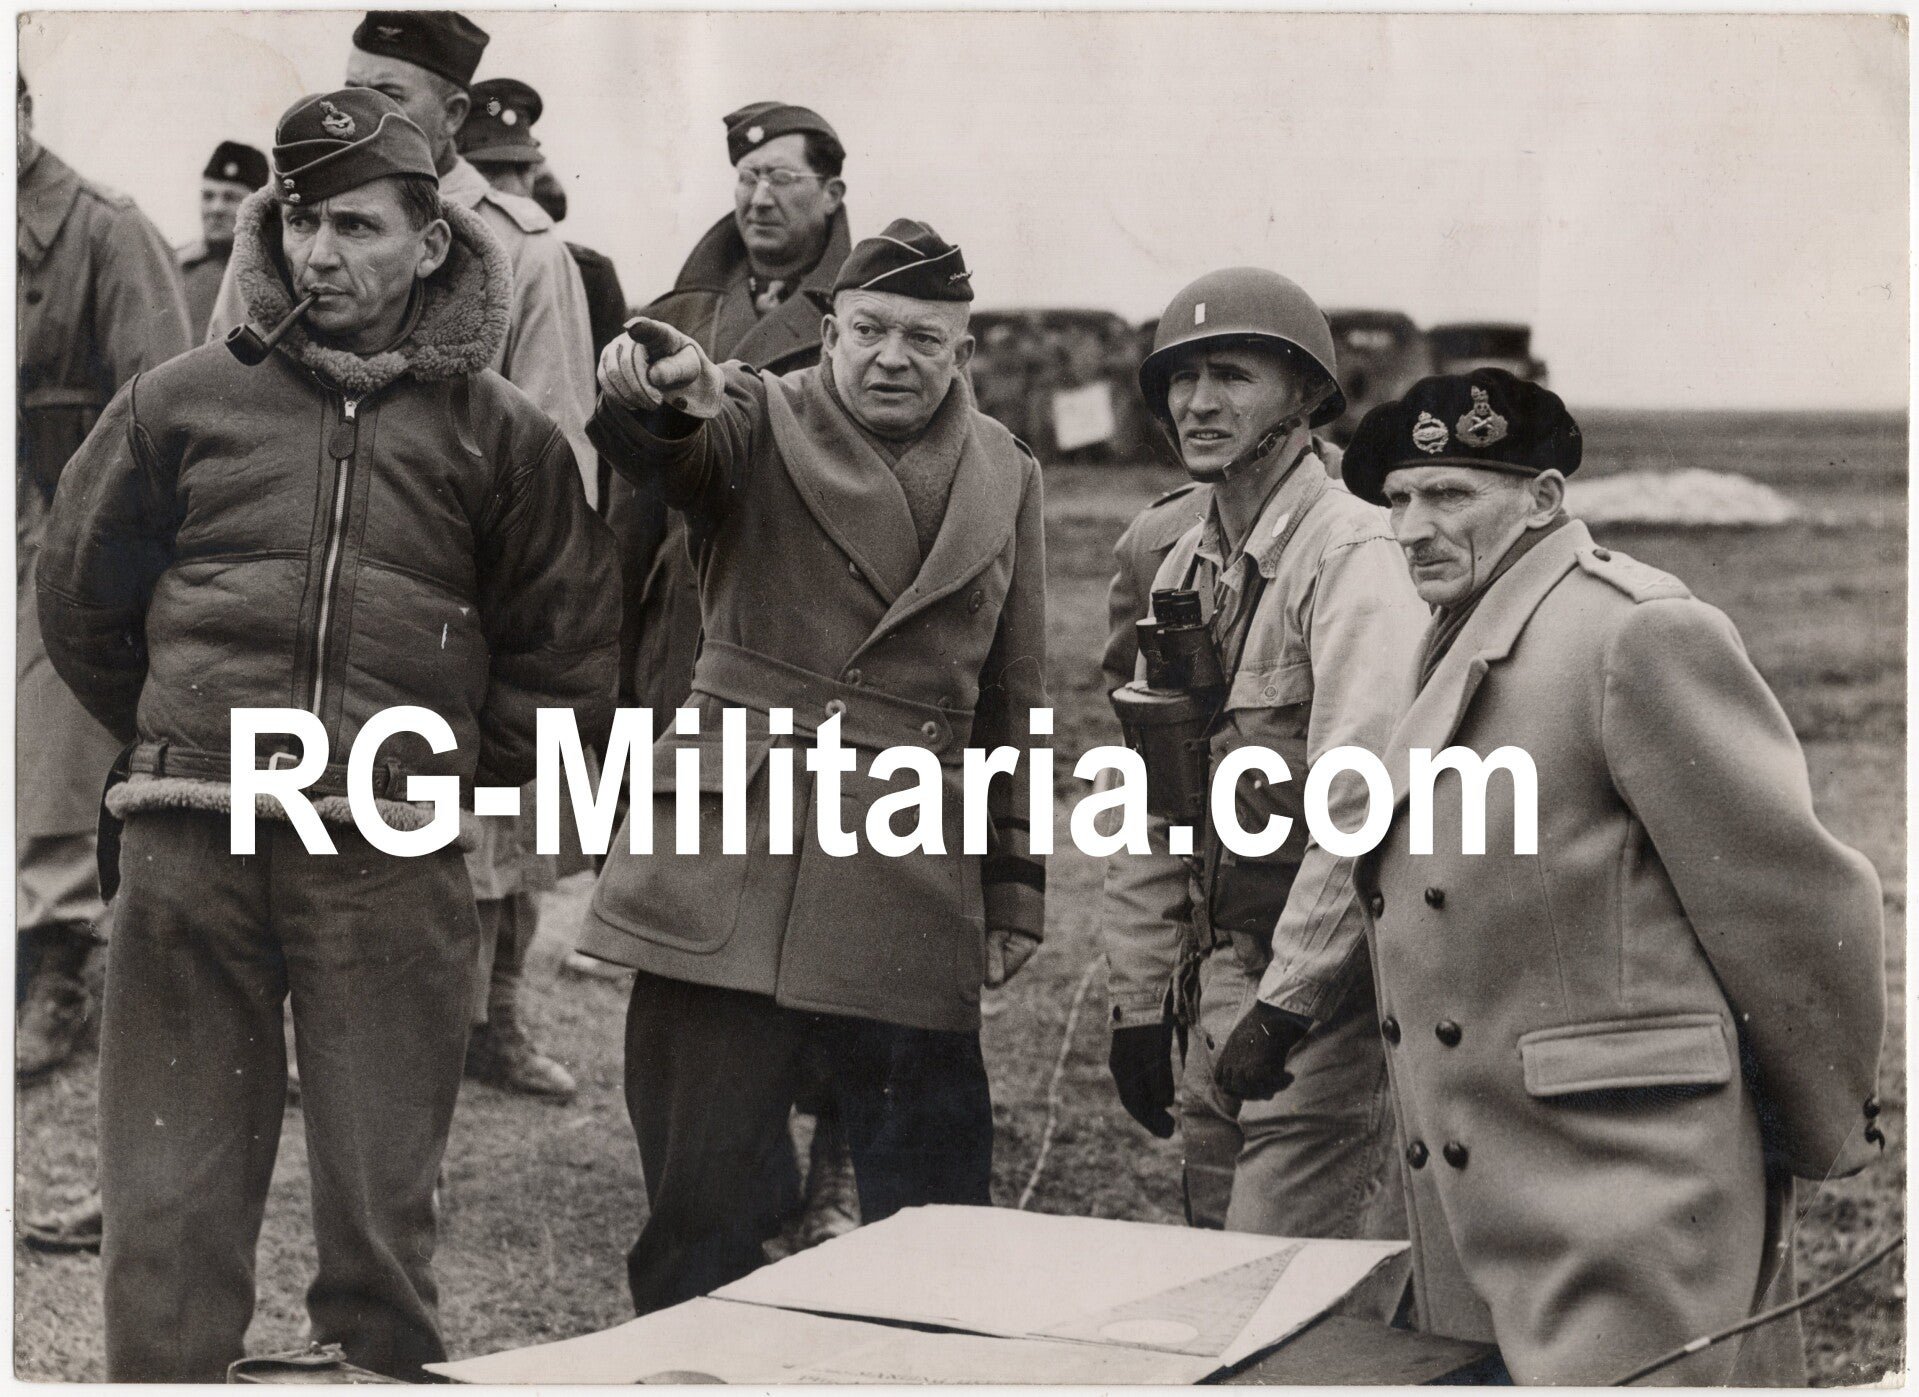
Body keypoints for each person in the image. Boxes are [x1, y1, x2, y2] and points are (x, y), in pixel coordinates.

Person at [36, 88, 620, 1381]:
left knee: (380, 1221)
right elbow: (80, 602)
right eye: (301, 220)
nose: (318, 255)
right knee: (168, 1218)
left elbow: (568, 646)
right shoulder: (176, 404)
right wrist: (185, 741)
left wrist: (433, 774)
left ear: (430, 243)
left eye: (355, 226)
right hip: (193, 847)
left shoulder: (503, 439)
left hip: (385, 859)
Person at [1282, 368, 1884, 1383]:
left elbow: (1791, 905)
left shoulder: (1631, 630)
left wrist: (1791, 1140)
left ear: (1543, 499)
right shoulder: (1463, 632)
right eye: (1396, 499)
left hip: (1626, 1180)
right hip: (1503, 1173)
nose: (1413, 525)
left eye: (1449, 495)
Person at [583, 219, 1047, 1316]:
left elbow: (1013, 695)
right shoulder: (756, 411)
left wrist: (1013, 880)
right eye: (871, 330)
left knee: (932, 1219)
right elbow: (668, 441)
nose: (893, 357)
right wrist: (668, 386)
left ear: (962, 352)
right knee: (699, 1216)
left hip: (905, 868)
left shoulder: (1006, 472)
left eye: (923, 340)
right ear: (829, 330)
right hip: (733, 859)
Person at [218, 8, 606, 1099]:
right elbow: (218, 389)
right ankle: (305, 1032)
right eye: (354, 82)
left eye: (396, 90)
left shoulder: (521, 249)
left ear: (456, 113)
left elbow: (555, 439)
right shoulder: (289, 227)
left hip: (455, 584)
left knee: (479, 818)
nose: (368, 107)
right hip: (300, 573)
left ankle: (495, 1018)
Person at [1099, 268, 1426, 1239]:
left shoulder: (1354, 558)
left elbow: (1355, 805)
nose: (1197, 402)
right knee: (1215, 1277)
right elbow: (1155, 799)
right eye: (1180, 377)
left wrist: (1282, 1007)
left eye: (1232, 374)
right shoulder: (1182, 564)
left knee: (1280, 1297)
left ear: (1303, 396)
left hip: (1321, 996)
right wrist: (1134, 996)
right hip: (1217, 976)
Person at [600, 99, 863, 1254]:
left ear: (831, 193)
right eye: (744, 176)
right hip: (682, 638)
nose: (758, 196)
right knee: (699, 905)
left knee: (824, 909)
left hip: (813, 641)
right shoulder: (670, 315)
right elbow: (624, 503)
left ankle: (835, 1170)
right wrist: (608, 644)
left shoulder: (873, 317)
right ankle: (736, 1176)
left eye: (781, 177)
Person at [15, 73, 191, 1086]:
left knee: (56, 748)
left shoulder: (105, 230)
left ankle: (59, 966)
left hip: (71, 519)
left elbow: (165, 409)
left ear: (27, 115)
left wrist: (110, 557)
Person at [457, 77, 629, 358]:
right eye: (489, 171)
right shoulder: (428, 267)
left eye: (523, 169)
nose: (513, 188)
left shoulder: (588, 276)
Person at [178, 140, 268, 339]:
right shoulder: (177, 266)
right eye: (208, 196)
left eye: (230, 198)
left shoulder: (269, 271)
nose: (216, 209)